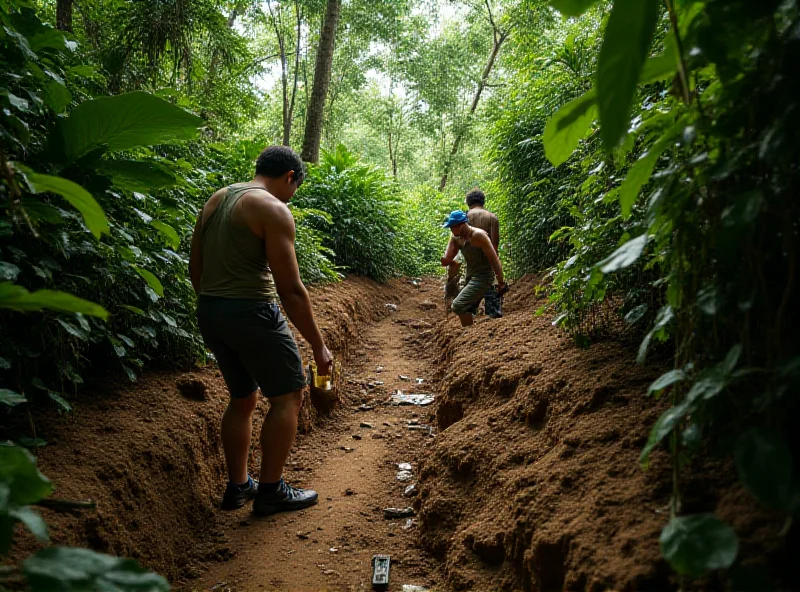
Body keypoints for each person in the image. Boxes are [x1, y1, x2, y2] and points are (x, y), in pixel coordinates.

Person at [188, 145, 332, 517]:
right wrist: (318, 346)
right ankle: (270, 491)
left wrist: (216, 307)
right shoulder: (273, 209)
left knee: (242, 398)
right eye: (295, 187)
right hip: (252, 310)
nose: (293, 195)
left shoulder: (218, 199)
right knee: (288, 396)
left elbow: (195, 267)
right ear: (289, 177)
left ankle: (238, 486)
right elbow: (291, 290)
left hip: (211, 310)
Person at [440, 210, 505, 327]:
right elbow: (449, 257)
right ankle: (470, 332)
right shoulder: (457, 238)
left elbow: (494, 258)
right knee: (468, 307)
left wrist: (500, 281)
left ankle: (469, 330)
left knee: (458, 305)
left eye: (452, 227)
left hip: (484, 277)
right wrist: (448, 261)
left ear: (461, 225)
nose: (451, 230)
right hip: (471, 276)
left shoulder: (478, 235)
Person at [465, 188, 503, 318]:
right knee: (491, 286)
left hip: (471, 262)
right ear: (483, 201)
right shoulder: (492, 217)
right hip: (488, 262)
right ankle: (493, 314)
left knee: (468, 304)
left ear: (468, 202)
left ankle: (470, 313)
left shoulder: (464, 218)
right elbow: (495, 245)